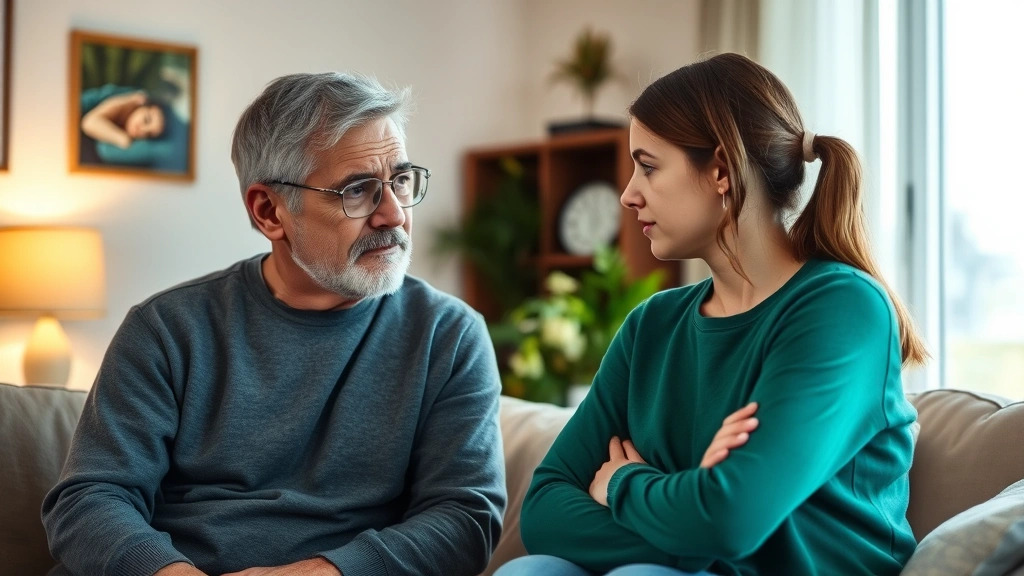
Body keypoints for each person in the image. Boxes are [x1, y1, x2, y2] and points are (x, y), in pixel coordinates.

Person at [43, 72, 506, 576]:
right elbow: (89, 499)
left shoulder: (449, 336)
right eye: (358, 191)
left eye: (399, 180)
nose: (393, 214)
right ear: (269, 212)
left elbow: (465, 518)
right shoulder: (166, 330)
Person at [498, 53, 925, 576]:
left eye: (648, 166)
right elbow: (542, 509)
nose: (628, 194)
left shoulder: (841, 308)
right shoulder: (652, 326)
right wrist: (696, 520)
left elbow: (732, 519)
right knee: (529, 572)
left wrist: (623, 484)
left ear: (722, 169)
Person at [79, 83, 188, 172]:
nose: (142, 130)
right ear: (141, 104)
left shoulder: (117, 147)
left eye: (148, 135)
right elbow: (88, 122)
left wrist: (122, 138)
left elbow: (89, 123)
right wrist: (128, 100)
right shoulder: (111, 96)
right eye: (146, 119)